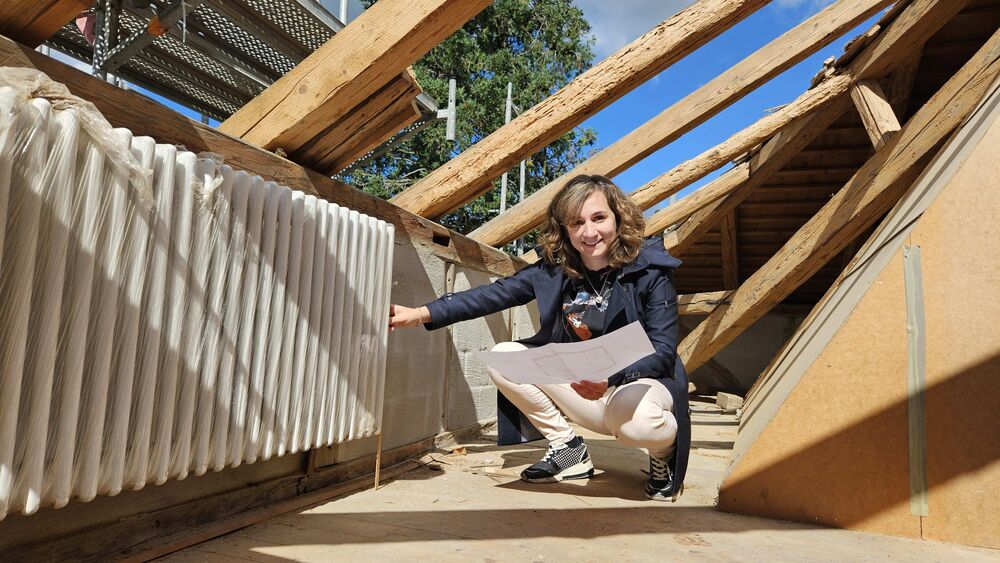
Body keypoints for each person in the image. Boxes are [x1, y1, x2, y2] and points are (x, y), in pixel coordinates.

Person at [389, 175, 689, 501]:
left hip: (637, 382)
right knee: (505, 357)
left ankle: (663, 454)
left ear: (617, 217)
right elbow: (490, 296)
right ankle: (567, 447)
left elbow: (663, 350)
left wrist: (611, 377)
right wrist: (420, 313)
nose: (589, 232)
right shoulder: (553, 270)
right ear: (564, 229)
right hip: (583, 387)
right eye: (577, 223)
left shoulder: (649, 270)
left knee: (638, 426)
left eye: (599, 218)